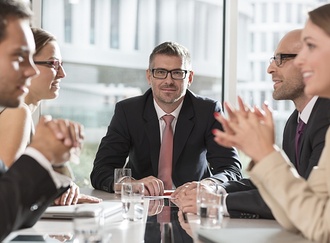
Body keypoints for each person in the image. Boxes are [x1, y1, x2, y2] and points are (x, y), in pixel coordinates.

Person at [173, 29, 330, 219]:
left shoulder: (326, 119)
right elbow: (276, 185)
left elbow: (301, 199)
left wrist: (216, 203)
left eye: (280, 59)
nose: (270, 68)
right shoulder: (294, 122)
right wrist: (213, 188)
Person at [212, 3, 330, 242]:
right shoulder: (293, 123)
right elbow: (300, 214)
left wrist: (266, 154)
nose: (302, 60)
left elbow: (319, 225)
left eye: (311, 46)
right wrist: (263, 154)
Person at [91, 41, 242, 196]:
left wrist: (208, 185)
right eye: (161, 72)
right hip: (141, 205)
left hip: (192, 204)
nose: (168, 81)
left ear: (189, 78)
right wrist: (130, 184)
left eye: (177, 73)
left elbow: (231, 169)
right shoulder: (128, 112)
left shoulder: (208, 111)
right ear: (149, 76)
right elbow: (101, 171)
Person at [0, 0, 83, 240]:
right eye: (19, 56)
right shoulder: (19, 112)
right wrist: (42, 155)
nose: (32, 71)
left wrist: (54, 183)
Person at [0, 27, 101, 206]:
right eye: (53, 64)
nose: (62, 73)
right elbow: (9, 193)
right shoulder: (18, 112)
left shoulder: (26, 116)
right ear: (26, 66)